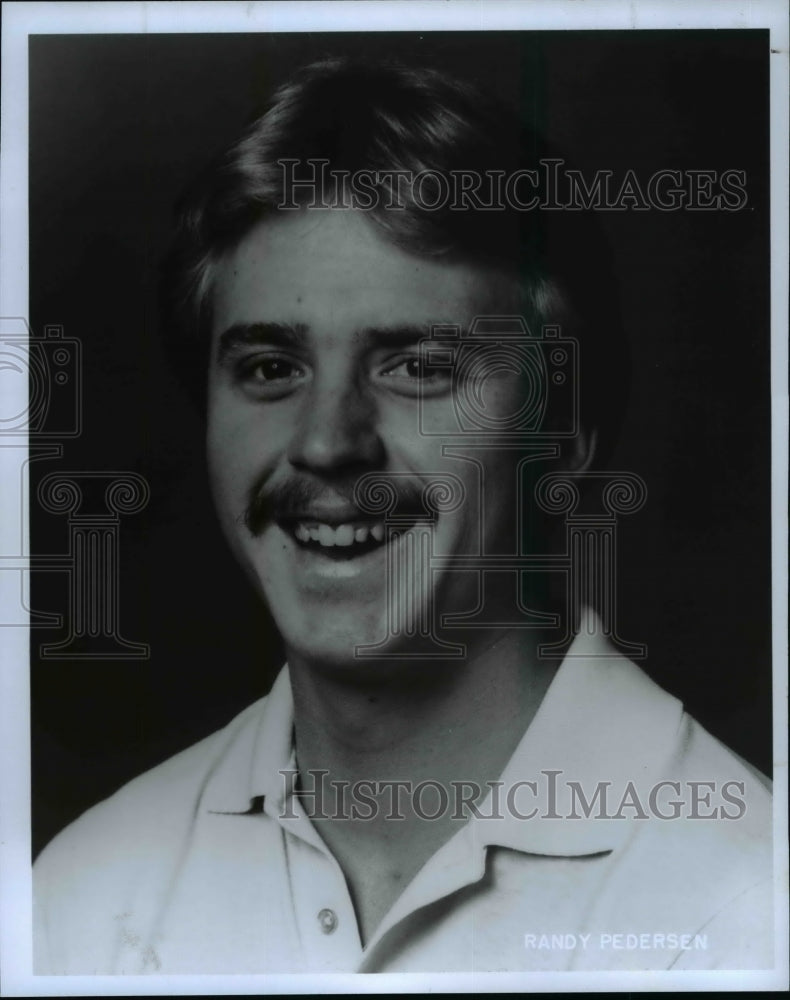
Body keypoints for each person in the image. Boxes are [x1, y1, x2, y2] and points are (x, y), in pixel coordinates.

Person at [33, 57, 772, 975]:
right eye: (271, 368)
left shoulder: (749, 906)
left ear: (566, 431)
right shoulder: (81, 901)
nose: (327, 442)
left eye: (418, 367)